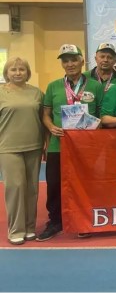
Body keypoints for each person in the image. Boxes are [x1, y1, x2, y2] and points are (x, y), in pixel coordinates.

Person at [38, 44, 104, 241]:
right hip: (58, 145)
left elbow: (102, 114)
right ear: (62, 64)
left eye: (74, 59)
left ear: (82, 61)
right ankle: (55, 221)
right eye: (65, 61)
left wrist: (95, 127)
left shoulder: (95, 86)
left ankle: (84, 220)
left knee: (84, 184)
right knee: (54, 185)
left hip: (85, 146)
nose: (70, 64)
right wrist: (51, 127)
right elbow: (46, 114)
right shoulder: (53, 86)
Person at [0, 57, 44, 245]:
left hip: (34, 146)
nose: (18, 73)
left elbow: (44, 119)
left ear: (27, 73)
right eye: (13, 69)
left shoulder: (37, 93)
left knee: (32, 188)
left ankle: (29, 227)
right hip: (8, 147)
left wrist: (45, 143)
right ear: (6, 73)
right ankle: (16, 229)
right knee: (16, 187)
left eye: (21, 69)